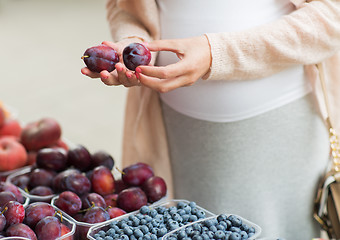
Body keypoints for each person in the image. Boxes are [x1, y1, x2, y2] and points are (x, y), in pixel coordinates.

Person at [81, 0, 340, 238]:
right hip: (174, 131)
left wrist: (215, 52)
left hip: (276, 133)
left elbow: (333, 15)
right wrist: (132, 42)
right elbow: (124, 7)